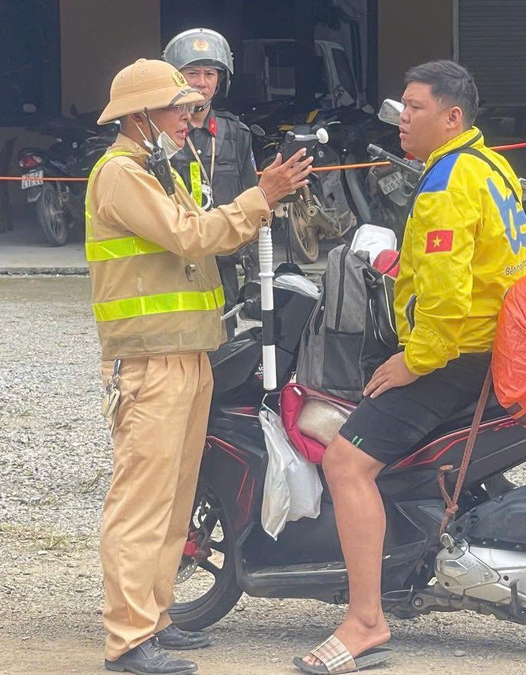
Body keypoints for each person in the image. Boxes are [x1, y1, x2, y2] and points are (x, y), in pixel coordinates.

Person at [295, 60, 526, 674]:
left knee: (347, 462)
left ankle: (365, 621)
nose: (402, 118)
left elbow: (450, 295)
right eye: (402, 106)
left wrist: (414, 360)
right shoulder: (488, 165)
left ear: (451, 117)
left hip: (453, 355)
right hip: (488, 345)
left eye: (416, 108)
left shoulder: (447, 182)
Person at [87, 58, 311, 675]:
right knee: (142, 501)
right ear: (140, 117)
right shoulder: (122, 175)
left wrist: (258, 201)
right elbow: (191, 235)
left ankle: (154, 620)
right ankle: (128, 640)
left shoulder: (157, 171)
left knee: (174, 499)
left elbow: (207, 236)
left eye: (189, 107)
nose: (188, 118)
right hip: (150, 363)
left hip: (186, 355)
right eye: (175, 109)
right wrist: (259, 196)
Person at [164, 28, 259, 338]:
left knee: (224, 341)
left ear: (221, 79)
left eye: (209, 73)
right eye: (192, 72)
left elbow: (253, 200)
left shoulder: (237, 134)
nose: (201, 82)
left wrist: (256, 267)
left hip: (223, 260)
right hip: (175, 258)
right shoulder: (160, 136)